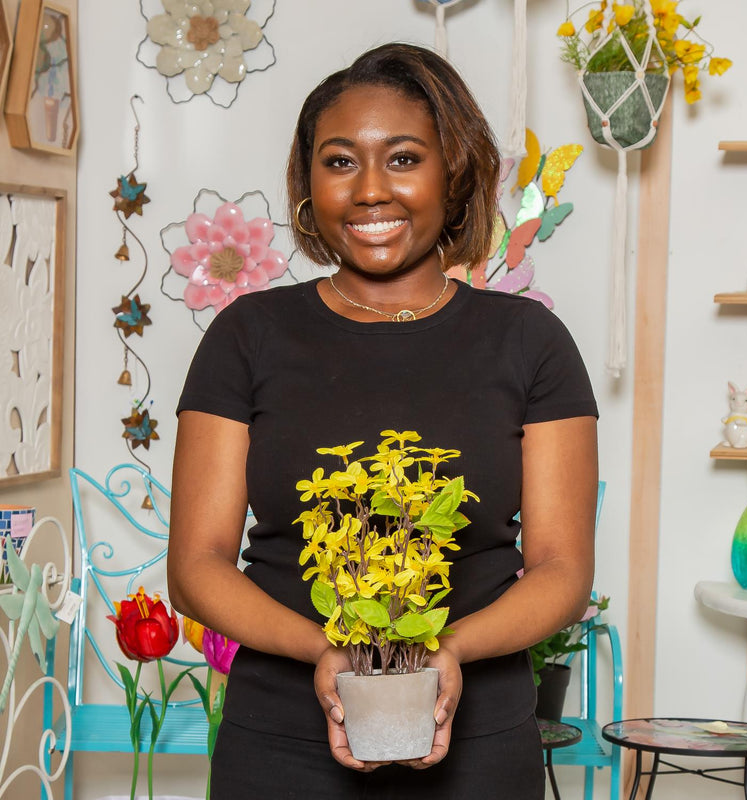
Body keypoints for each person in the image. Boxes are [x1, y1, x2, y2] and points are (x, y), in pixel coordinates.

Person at [168, 42, 598, 800]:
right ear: (309, 183)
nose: (371, 190)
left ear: (453, 173)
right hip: (279, 749)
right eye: (339, 162)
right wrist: (326, 653)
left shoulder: (530, 344)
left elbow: (562, 571)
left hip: (481, 746)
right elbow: (196, 566)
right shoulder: (247, 336)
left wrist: (447, 654)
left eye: (403, 159)